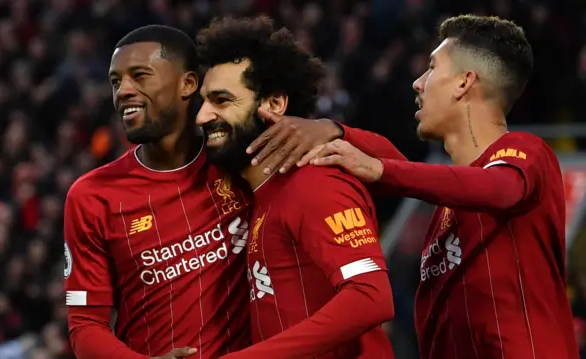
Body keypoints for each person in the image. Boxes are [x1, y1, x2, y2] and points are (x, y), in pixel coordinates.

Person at [63, 24, 404, 359]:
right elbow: (84, 327)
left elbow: (395, 170)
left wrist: (333, 130)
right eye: (115, 81)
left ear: (187, 84)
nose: (123, 90)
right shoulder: (92, 196)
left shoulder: (240, 159)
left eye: (140, 75)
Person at [297, 14, 579, 359]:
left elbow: (499, 188)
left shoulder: (527, 152)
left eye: (431, 68)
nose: (418, 82)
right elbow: (413, 169)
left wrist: (379, 168)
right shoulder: (447, 204)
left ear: (464, 83)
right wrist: (338, 131)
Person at [195, 16, 395, 359]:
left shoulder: (316, 183)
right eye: (203, 101)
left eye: (221, 100)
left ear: (274, 104)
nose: (202, 116)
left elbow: (371, 295)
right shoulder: (259, 194)